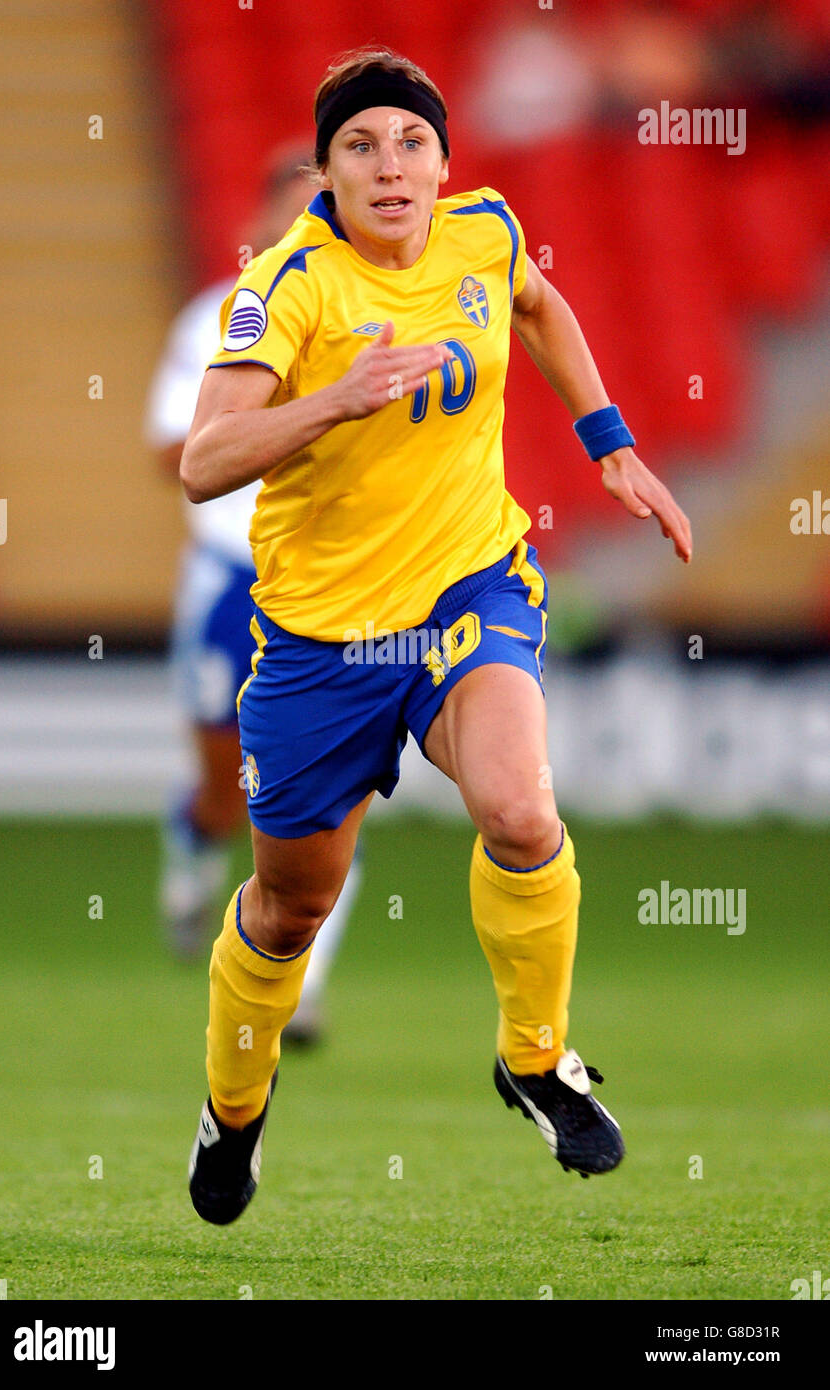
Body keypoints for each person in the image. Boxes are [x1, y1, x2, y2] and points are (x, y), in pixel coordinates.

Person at [182, 46, 692, 1225]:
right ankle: (233, 1107)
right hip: (317, 642)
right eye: (360, 145)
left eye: (410, 141)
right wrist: (334, 400)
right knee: (288, 908)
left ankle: (533, 1057)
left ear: (443, 161)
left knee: (521, 811)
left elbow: (539, 303)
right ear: (326, 170)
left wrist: (607, 438)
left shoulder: (485, 233)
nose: (390, 164)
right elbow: (204, 462)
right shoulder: (283, 287)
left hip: (469, 591)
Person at [145, 147, 361, 1041]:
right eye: (300, 206)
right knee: (221, 780)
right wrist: (282, 432)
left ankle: (300, 985)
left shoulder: (370, 316)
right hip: (235, 579)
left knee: (336, 788)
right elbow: (173, 452)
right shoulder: (219, 322)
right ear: (267, 222)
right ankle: (192, 854)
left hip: (338, 582)